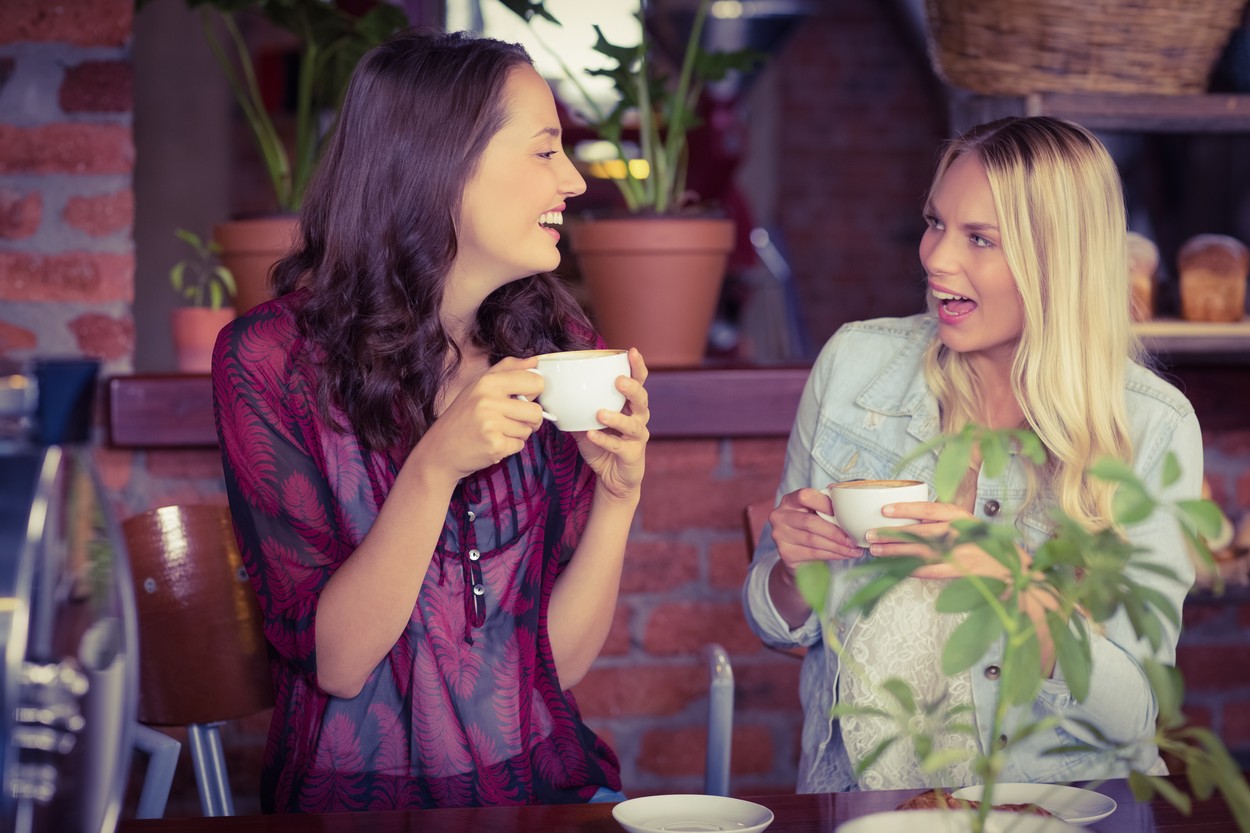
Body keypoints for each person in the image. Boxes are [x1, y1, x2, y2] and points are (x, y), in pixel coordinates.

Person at [211, 29, 650, 812]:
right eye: (546, 151)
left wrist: (619, 496)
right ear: (444, 161)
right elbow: (340, 663)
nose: (576, 181)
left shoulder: (555, 347)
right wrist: (435, 464)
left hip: (538, 792)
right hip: (357, 803)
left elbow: (558, 663)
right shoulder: (270, 362)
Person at [742, 116, 1201, 793]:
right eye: (935, 223)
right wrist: (789, 567)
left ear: (1059, 262)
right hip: (865, 801)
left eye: (980, 238)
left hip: (1055, 807)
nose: (935, 258)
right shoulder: (853, 366)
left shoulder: (1150, 427)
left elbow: (1134, 714)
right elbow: (775, 621)